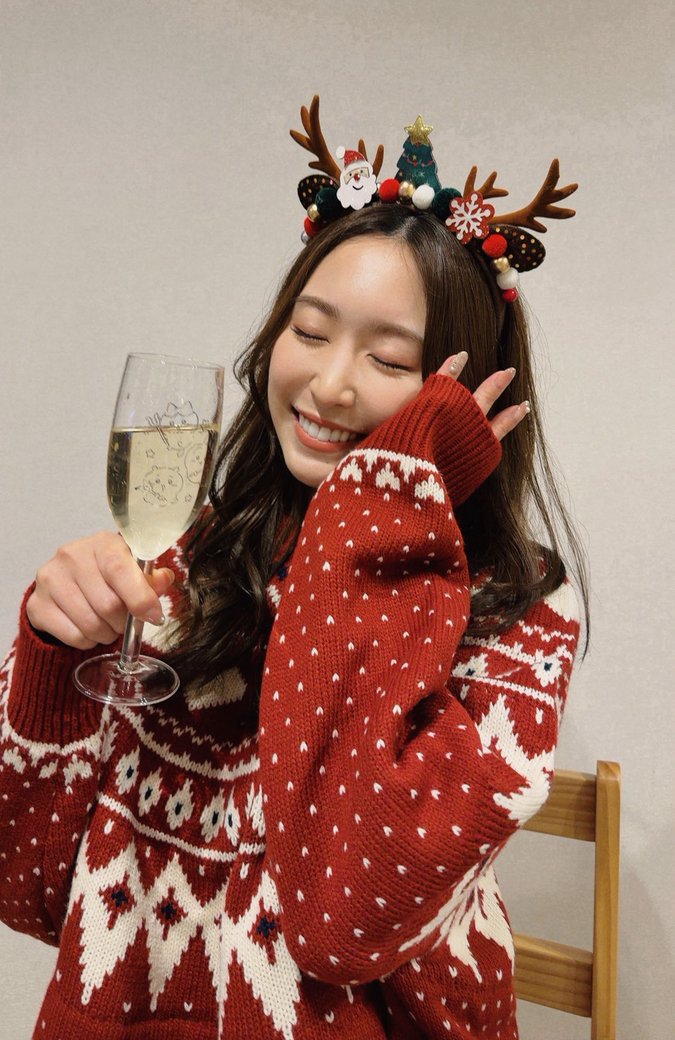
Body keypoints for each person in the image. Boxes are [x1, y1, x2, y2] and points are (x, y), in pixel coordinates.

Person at [0, 98, 587, 1040]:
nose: (330, 384)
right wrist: (50, 654)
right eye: (309, 334)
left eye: (388, 359)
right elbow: (26, 885)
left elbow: (341, 921)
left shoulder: (519, 620)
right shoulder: (192, 560)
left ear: (468, 397)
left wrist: (378, 515)